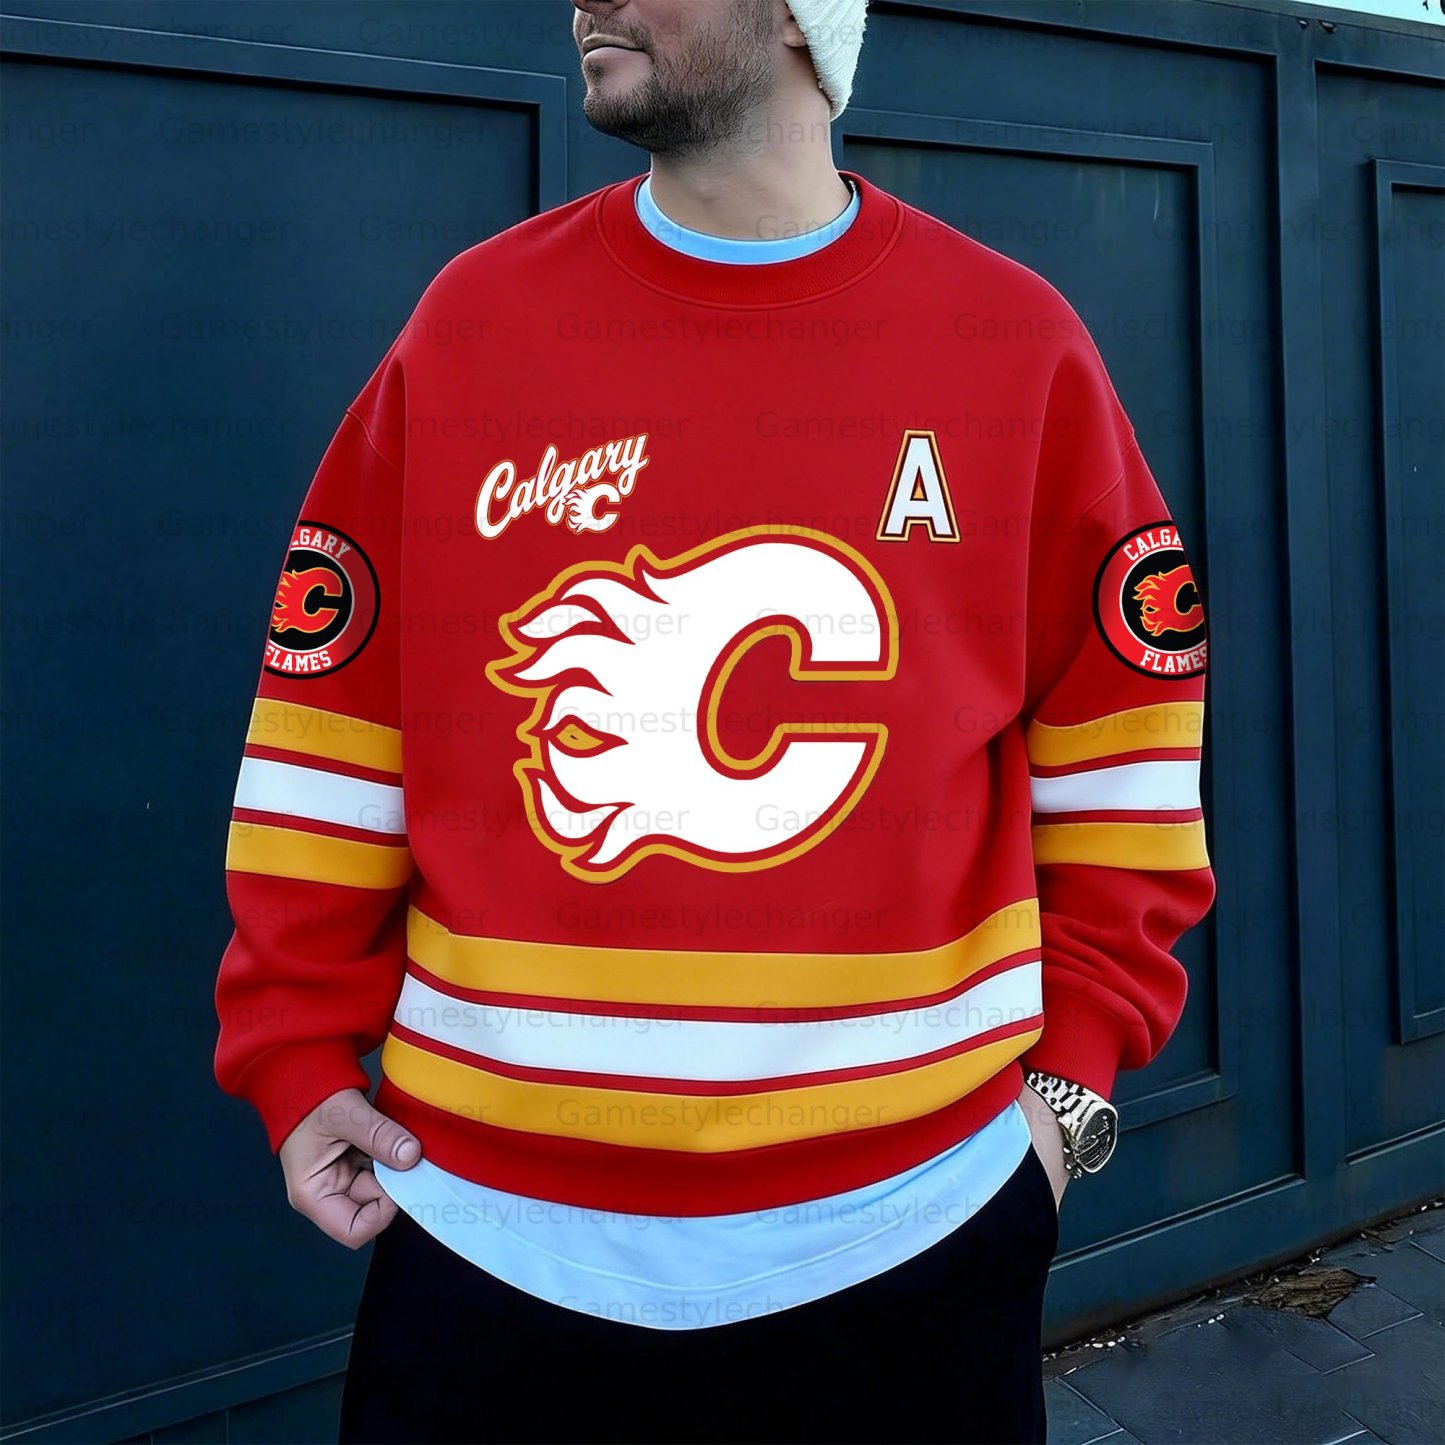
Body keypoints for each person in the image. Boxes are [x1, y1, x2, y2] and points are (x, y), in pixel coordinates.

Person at [213, 1, 1215, 1440]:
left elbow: (1126, 738)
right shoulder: (474, 323)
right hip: (487, 1239)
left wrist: (1067, 1098)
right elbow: (335, 713)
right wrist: (295, 1050)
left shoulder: (1010, 340)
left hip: (910, 1238)